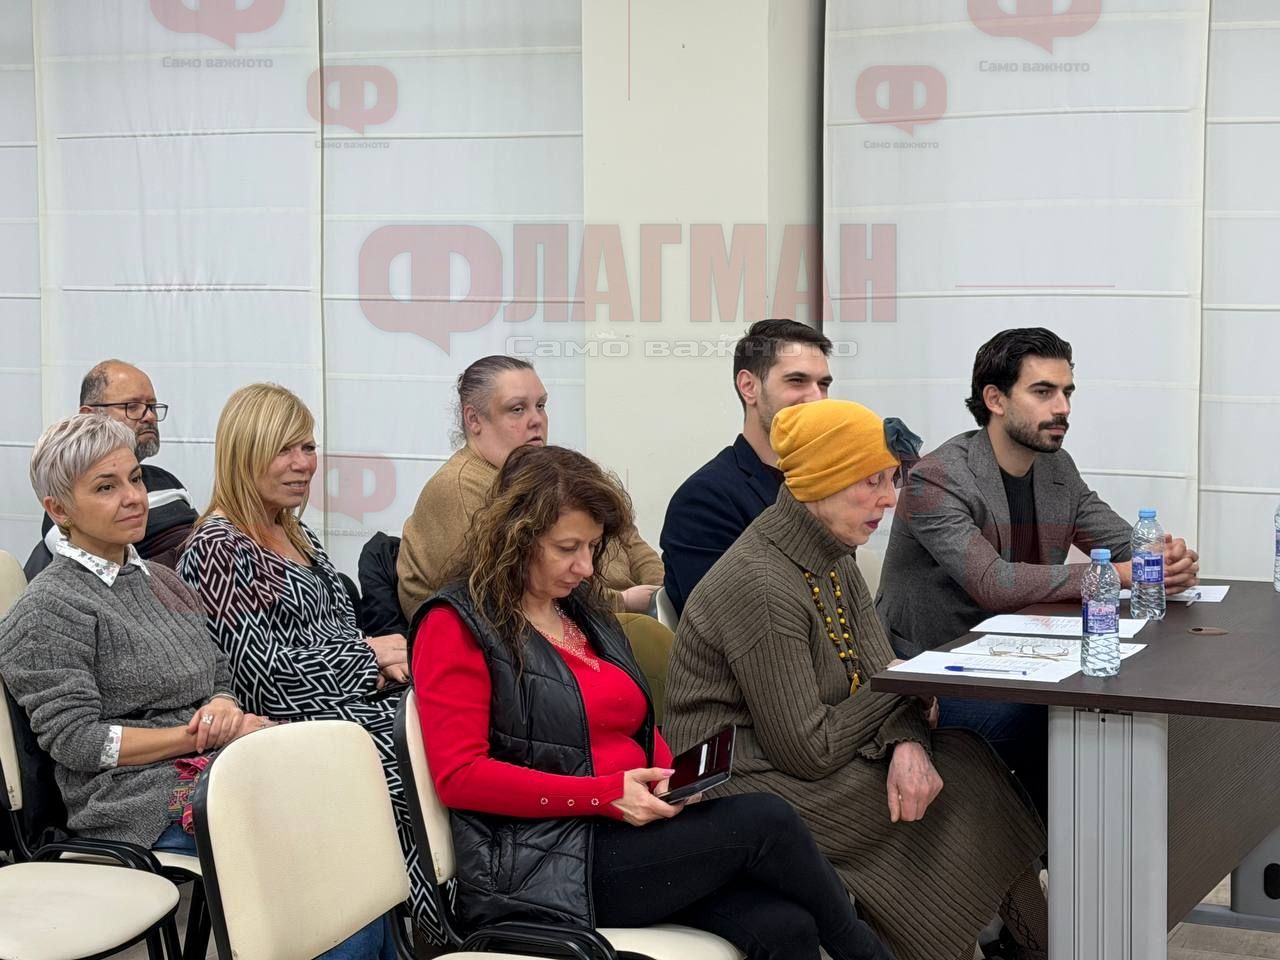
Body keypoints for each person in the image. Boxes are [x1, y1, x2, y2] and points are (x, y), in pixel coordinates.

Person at [411, 443, 891, 960]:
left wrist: (672, 778)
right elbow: (460, 776)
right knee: (768, 820)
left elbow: (634, 724)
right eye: (567, 548)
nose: (586, 567)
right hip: (540, 865)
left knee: (786, 927)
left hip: (618, 834)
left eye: (592, 546)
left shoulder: (578, 610)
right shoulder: (456, 624)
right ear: (515, 537)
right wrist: (602, 795)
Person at [664, 399, 1048, 960]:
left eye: (891, 479)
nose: (890, 499)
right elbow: (810, 749)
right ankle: (1016, 942)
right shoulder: (762, 584)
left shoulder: (833, 553)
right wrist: (906, 686)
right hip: (737, 779)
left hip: (806, 748)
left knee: (969, 758)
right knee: (952, 797)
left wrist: (908, 741)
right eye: (871, 482)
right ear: (821, 482)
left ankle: (1040, 943)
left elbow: (881, 674)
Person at [875, 327, 1199, 814]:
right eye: (1044, 392)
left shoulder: (1055, 467)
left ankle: (1110, 847)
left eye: (1067, 392)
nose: (1063, 408)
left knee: (1126, 703)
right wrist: (1124, 574)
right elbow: (994, 582)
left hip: (1022, 657)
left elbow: (1121, 543)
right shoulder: (936, 479)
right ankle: (1058, 849)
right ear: (995, 399)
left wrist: (1166, 559)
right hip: (935, 671)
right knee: (1059, 720)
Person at [176, 383, 431, 945]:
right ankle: (434, 919)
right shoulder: (219, 546)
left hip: (345, 704)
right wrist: (369, 657)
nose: (303, 464)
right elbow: (259, 678)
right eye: (283, 449)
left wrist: (383, 661)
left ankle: (447, 911)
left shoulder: (295, 530)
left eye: (308, 447)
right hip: (286, 726)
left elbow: (336, 632)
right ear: (244, 454)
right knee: (410, 751)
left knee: (446, 725)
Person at [0, 415, 271, 847]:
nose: (134, 498)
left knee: (331, 782)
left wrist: (222, 705)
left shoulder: (165, 582)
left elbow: (218, 673)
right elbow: (79, 742)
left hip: (213, 762)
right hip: (130, 801)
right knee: (299, 817)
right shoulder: (48, 608)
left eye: (135, 478)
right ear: (59, 510)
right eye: (106, 487)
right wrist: (201, 735)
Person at [397, 355, 663, 622]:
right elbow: (502, 591)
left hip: (612, 612)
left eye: (541, 405)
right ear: (474, 419)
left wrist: (661, 592)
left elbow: (628, 537)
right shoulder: (458, 488)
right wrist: (624, 601)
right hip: (542, 625)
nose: (537, 420)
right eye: (517, 409)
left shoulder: (554, 470)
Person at [660, 320, 833, 617]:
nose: (816, 398)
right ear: (749, 387)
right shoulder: (705, 500)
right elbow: (729, 623)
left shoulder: (823, 486)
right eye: (797, 381)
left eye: (824, 385)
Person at [24, 360, 196, 580]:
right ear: (89, 415)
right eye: (132, 407)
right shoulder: (71, 507)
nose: (150, 416)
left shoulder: (167, 481)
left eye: (152, 406)